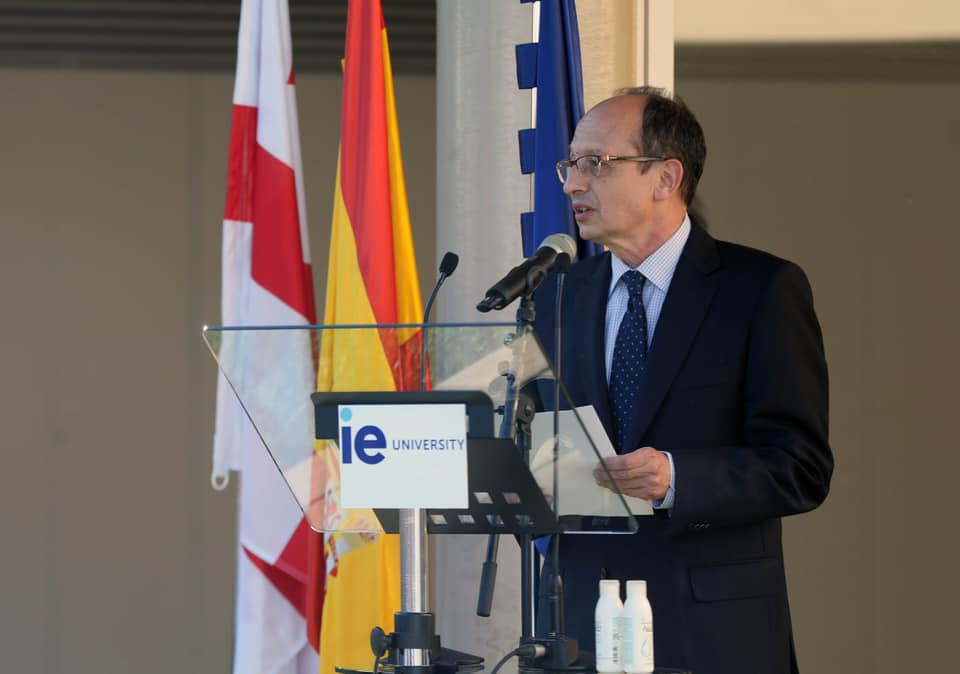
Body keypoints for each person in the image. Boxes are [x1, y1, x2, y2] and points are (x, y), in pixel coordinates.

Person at [532, 87, 833, 674]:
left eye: (595, 163)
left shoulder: (759, 290)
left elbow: (802, 467)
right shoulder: (554, 297)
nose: (572, 184)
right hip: (578, 623)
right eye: (570, 165)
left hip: (713, 628)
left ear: (665, 177)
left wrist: (677, 477)